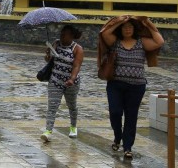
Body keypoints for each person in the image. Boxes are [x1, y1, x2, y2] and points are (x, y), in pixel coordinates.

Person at [98, 16, 164, 159]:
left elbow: (159, 41)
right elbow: (105, 33)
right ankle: (117, 136)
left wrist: (149, 23)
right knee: (115, 112)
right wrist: (121, 20)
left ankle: (127, 147)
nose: (127, 29)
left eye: (130, 27)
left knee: (131, 116)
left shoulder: (141, 42)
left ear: (134, 29)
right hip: (116, 85)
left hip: (136, 87)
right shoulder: (115, 42)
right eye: (124, 27)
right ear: (120, 29)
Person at [41, 25, 84, 142]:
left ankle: (73, 127)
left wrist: (72, 79)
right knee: (52, 106)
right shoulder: (56, 43)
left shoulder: (77, 49)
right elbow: (49, 60)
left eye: (65, 33)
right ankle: (48, 131)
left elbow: (76, 66)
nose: (62, 35)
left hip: (71, 82)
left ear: (72, 36)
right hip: (55, 80)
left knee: (72, 106)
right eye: (61, 33)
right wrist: (48, 55)